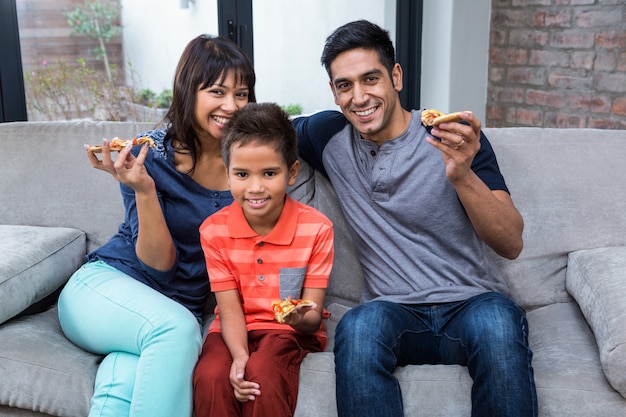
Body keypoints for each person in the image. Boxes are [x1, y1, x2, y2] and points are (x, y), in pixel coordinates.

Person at [292, 20, 538, 417]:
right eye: (344, 85)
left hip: (472, 302)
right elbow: (258, 132)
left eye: (370, 79)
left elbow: (511, 242)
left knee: (499, 325)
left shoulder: (450, 136)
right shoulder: (326, 134)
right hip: (393, 310)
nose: (359, 97)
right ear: (334, 92)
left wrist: (461, 174)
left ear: (396, 76)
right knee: (357, 328)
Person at [57, 34, 256, 417]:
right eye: (217, 92)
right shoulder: (148, 153)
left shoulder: (250, 158)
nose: (231, 106)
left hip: (157, 315)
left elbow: (308, 128)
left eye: (242, 94)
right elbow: (158, 265)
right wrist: (144, 190)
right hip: (102, 290)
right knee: (179, 331)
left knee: (120, 392)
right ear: (187, 91)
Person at [193, 102, 334, 417]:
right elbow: (229, 311)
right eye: (242, 174)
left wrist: (298, 317)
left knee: (263, 374)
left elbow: (311, 319)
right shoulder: (213, 231)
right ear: (227, 174)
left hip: (289, 332)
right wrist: (239, 356)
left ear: (292, 172)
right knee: (211, 375)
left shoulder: (317, 229)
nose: (255, 187)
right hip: (234, 327)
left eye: (269, 173)